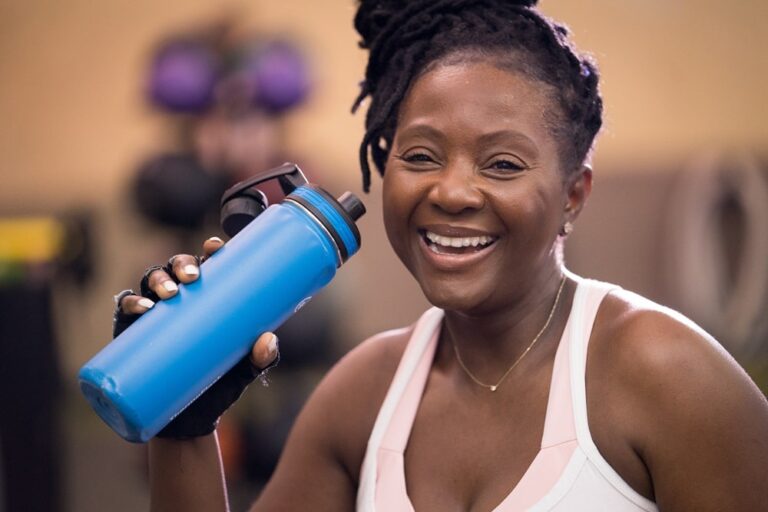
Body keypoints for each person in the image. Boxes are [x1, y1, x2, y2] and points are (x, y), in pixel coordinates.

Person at [114, 1, 768, 510]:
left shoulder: (667, 376)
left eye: (502, 163)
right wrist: (183, 424)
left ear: (573, 194)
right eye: (421, 156)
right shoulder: (364, 393)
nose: (451, 192)